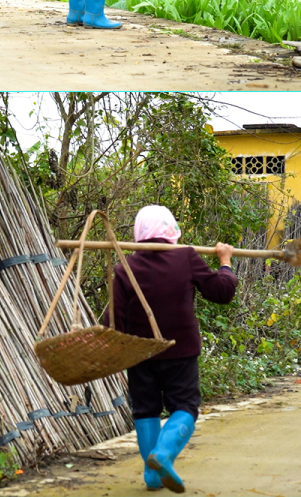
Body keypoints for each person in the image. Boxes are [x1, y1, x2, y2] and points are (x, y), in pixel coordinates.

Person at [105, 205, 236, 493]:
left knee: (144, 409)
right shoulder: (186, 257)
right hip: (181, 351)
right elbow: (221, 291)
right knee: (185, 405)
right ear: (171, 231)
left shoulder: (124, 268)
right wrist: (225, 263)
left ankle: (152, 478)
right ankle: (163, 455)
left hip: (140, 354)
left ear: (139, 234)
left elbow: (112, 321)